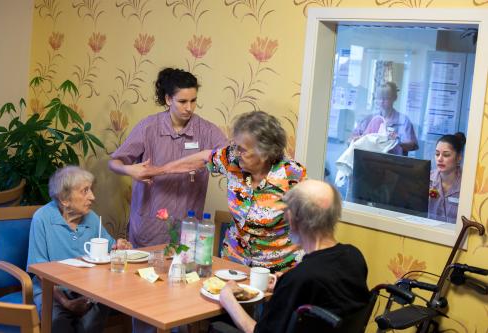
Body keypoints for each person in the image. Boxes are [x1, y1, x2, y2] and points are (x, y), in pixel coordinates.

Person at [147, 111, 306, 273]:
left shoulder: (292, 174)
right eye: (235, 147)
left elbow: (308, 224)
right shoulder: (232, 158)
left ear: (264, 152)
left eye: (242, 150)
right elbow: (203, 158)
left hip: (277, 268)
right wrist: (159, 170)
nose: (236, 153)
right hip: (234, 261)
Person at [218, 179, 371, 333]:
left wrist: (228, 299)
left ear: (292, 219)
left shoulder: (300, 279)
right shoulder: (354, 257)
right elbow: (329, 299)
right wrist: (282, 284)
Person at [108, 68, 227, 247]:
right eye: (182, 101)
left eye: (193, 101)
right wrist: (129, 169)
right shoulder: (148, 127)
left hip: (188, 229)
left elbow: (230, 158)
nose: (189, 108)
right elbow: (114, 162)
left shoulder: (207, 131)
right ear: (168, 99)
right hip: (149, 227)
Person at [27, 166, 132, 333]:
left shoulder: (91, 217)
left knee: (91, 323)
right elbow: (40, 270)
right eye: (85, 191)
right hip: (53, 291)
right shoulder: (42, 218)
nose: (92, 197)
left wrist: (119, 246)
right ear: (64, 199)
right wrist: (65, 302)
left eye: (91, 189)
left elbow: (111, 248)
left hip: (89, 290)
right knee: (58, 321)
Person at [351, 81, 418, 155]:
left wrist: (398, 141)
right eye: (379, 98)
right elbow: (351, 140)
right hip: (369, 161)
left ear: (394, 98)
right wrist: (360, 139)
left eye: (386, 98)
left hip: (393, 163)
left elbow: (413, 146)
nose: (382, 102)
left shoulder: (403, 121)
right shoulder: (369, 119)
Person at [428, 132, 466, 223]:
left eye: (446, 155)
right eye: (437, 154)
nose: (440, 159)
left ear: (458, 158)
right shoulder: (426, 179)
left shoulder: (467, 184)